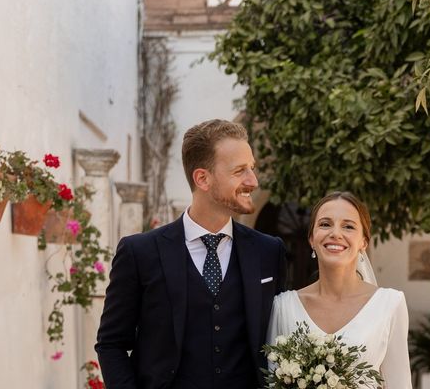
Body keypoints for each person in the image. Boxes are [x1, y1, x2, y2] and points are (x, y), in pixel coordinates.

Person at [96, 119, 287, 389]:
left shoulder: (269, 251)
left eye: (252, 169)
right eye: (240, 171)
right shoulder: (140, 253)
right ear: (202, 178)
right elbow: (111, 344)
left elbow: (279, 336)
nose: (253, 181)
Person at [267, 191, 412, 388]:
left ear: (364, 242)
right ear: (311, 239)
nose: (335, 233)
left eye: (348, 226)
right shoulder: (283, 306)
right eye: (325, 224)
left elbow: (399, 384)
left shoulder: (390, 304)